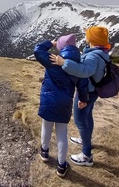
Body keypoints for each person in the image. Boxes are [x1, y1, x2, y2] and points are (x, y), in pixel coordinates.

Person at [49, 26, 111, 167]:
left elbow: (84, 71)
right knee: (87, 117)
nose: (86, 37)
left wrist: (64, 63)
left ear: (92, 40)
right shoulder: (101, 52)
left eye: (88, 36)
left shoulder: (93, 56)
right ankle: (86, 140)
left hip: (87, 92)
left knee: (80, 121)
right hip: (93, 90)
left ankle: (86, 156)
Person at [34, 34, 88, 177]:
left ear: (61, 48)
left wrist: (50, 43)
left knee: (46, 126)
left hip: (48, 100)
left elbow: (37, 50)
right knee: (62, 133)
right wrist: (83, 99)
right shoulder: (78, 66)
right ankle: (61, 166)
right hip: (65, 103)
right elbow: (83, 85)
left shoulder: (53, 60)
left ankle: (44, 152)